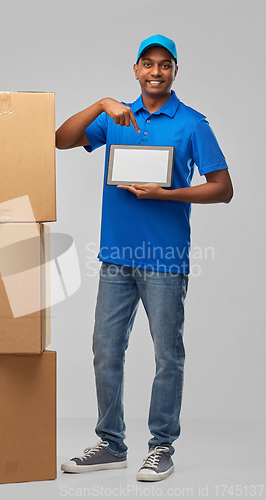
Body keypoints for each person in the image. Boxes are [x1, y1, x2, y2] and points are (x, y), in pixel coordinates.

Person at [56, 34, 233, 482]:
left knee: (166, 357)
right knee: (105, 350)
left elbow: (223, 188)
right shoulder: (117, 117)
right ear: (135, 70)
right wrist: (100, 104)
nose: (156, 72)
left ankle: (161, 447)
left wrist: (168, 194)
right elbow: (60, 140)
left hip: (165, 260)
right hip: (115, 256)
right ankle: (111, 444)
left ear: (175, 72)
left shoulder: (193, 124)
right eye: (148, 64)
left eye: (165, 65)